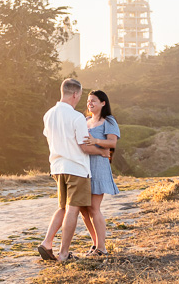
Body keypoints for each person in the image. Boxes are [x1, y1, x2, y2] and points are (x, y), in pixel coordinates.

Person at [37, 79, 108, 263]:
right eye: (80, 96)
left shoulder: (49, 114)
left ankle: (47, 243)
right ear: (75, 94)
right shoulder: (76, 117)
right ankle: (63, 253)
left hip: (57, 167)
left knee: (62, 207)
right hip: (76, 168)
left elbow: (51, 139)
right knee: (72, 210)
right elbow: (85, 147)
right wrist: (102, 151)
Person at [79, 89, 121, 257]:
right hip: (83, 167)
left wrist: (96, 141)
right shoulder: (85, 120)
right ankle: (95, 244)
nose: (90, 103)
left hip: (99, 167)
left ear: (103, 103)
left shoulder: (108, 121)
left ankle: (102, 248)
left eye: (94, 100)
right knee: (83, 209)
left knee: (94, 207)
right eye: (88, 101)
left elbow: (112, 143)